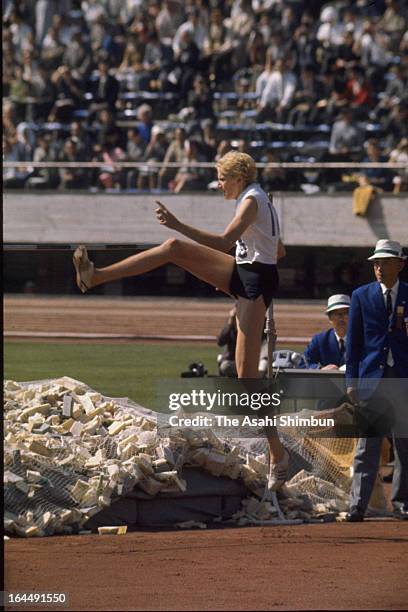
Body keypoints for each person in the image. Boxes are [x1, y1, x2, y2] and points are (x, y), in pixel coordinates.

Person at [73, 151, 289, 490]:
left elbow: (223, 242)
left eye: (221, 179)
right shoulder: (255, 199)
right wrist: (239, 265)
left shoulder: (251, 201)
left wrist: (179, 223)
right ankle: (95, 276)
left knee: (247, 378)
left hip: (255, 282)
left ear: (238, 178)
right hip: (246, 272)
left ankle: (278, 454)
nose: (218, 185)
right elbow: (279, 252)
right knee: (173, 247)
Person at [345, 239, 408, 521]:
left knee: (405, 446)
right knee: (366, 446)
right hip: (372, 380)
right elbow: (353, 344)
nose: (379, 267)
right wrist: (351, 380)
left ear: (400, 264)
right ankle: (357, 505)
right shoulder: (361, 295)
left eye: (384, 261)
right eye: (375, 262)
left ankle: (403, 503)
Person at [303, 294, 350, 370]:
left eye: (345, 313)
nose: (341, 318)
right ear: (329, 317)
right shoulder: (320, 339)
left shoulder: (362, 338)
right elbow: (304, 362)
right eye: (336, 314)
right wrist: (321, 369)